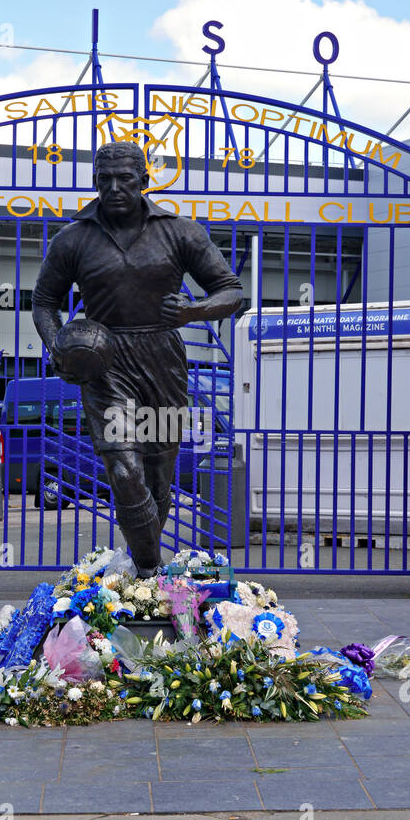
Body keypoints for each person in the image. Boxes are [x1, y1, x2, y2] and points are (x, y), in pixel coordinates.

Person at [31, 141, 243, 577]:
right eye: (103, 179)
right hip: (105, 363)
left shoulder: (180, 231)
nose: (113, 188)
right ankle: (151, 573)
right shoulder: (74, 237)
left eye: (124, 178)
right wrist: (57, 347)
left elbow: (231, 291)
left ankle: (142, 576)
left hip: (163, 360)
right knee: (125, 470)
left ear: (144, 181)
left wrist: (195, 311)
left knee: (158, 477)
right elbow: (43, 300)